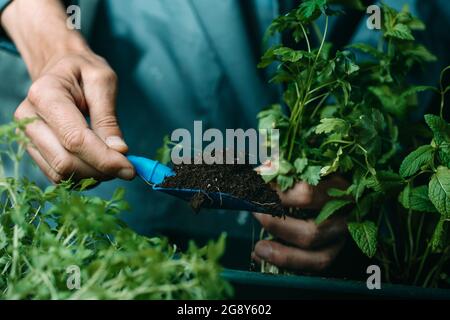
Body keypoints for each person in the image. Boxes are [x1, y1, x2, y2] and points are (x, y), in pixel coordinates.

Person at [0, 0, 448, 274]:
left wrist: (362, 184)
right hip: (123, 119)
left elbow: (425, 22)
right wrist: (55, 47)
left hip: (306, 242)